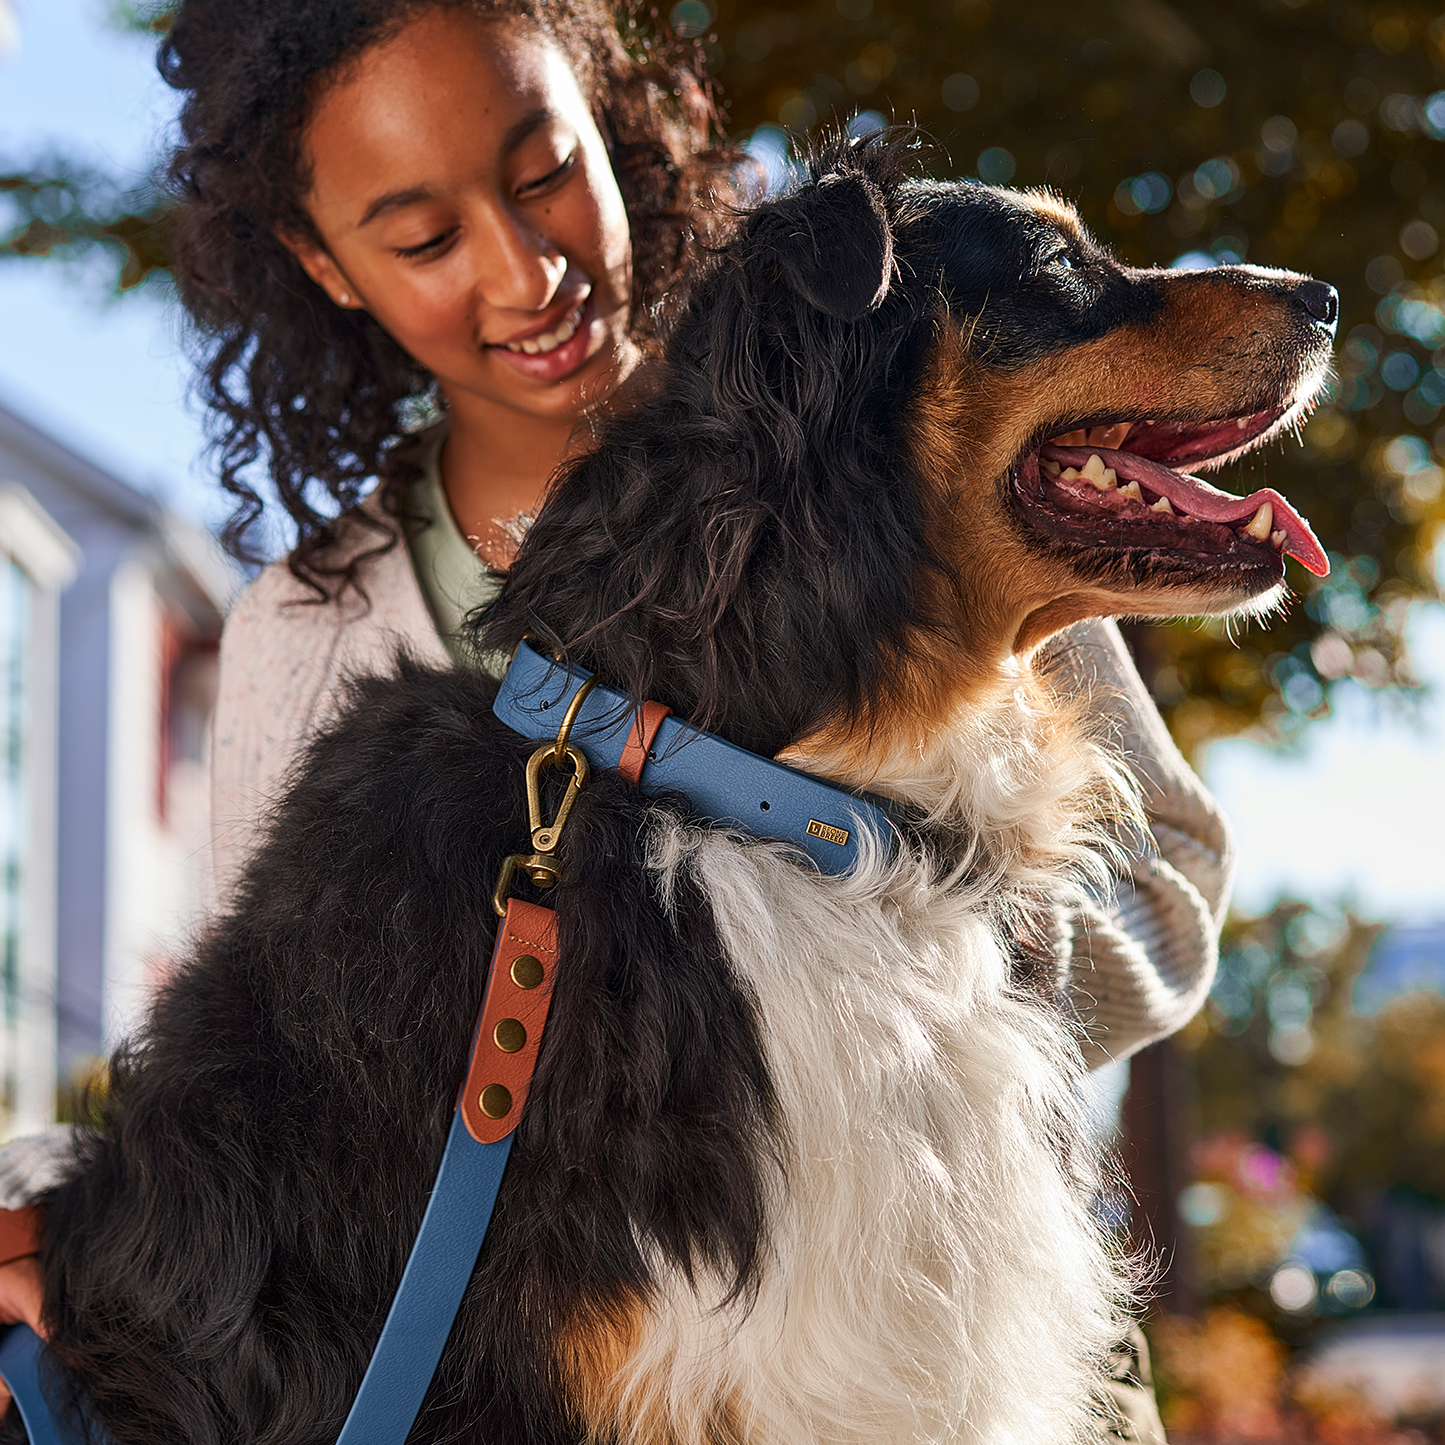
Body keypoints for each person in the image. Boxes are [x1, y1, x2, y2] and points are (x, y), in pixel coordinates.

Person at [0, 2, 1230, 1437]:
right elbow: (288, 1090)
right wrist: (51, 1201)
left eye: (542, 174)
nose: (526, 271)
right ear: (325, 266)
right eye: (422, 238)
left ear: (609, 120)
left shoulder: (884, 435)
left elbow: (1168, 883)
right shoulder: (313, 622)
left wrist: (865, 1029)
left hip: (956, 1316)